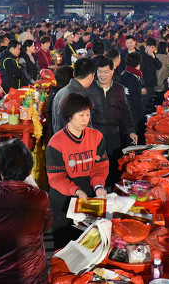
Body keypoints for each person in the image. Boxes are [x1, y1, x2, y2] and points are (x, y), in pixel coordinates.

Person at [0, 138, 51, 284]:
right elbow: (44, 227)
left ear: (0, 170)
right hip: (32, 277)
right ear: (29, 170)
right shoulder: (41, 198)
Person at [45, 93, 108, 247]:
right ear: (69, 116)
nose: (86, 119)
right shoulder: (56, 142)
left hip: (88, 194)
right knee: (65, 245)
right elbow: (56, 178)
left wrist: (99, 186)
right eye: (81, 115)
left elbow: (100, 167)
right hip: (64, 197)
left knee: (90, 243)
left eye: (88, 114)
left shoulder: (96, 136)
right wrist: (76, 190)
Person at [50, 58, 95, 134]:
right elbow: (84, 128)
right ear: (91, 76)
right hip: (74, 143)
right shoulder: (79, 97)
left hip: (59, 140)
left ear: (74, 74)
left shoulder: (61, 92)